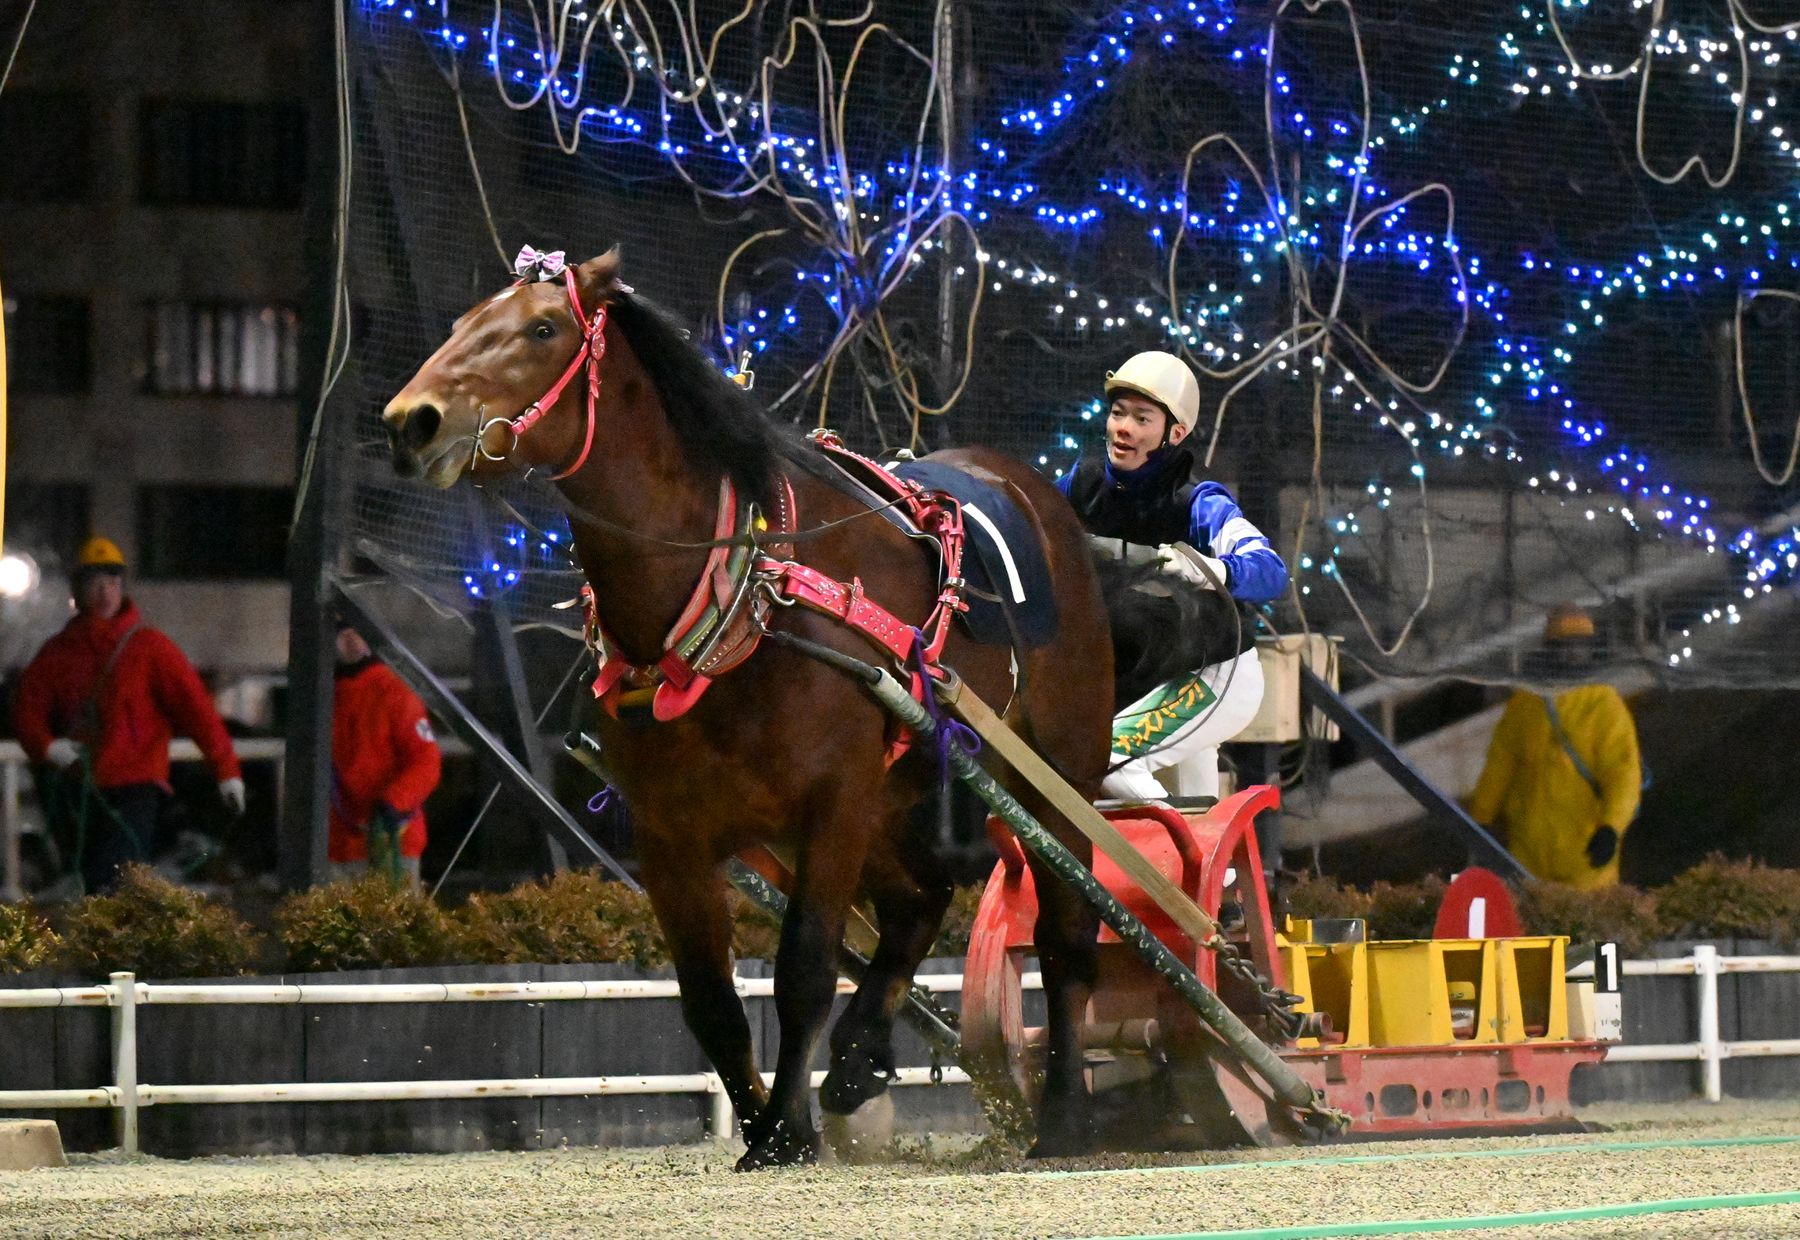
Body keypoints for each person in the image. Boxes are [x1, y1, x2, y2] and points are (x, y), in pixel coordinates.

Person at [1057, 351, 1289, 800]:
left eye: (1142, 418)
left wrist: (1211, 569)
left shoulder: (1199, 502)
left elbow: (1271, 571)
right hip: (1146, 678)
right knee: (1191, 805)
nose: (1123, 428)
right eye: (1118, 413)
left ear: (1175, 433)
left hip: (1211, 676)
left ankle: (1169, 847)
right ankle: (1193, 848)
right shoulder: (1080, 485)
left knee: (1110, 758)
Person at [13, 535, 245, 893]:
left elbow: (197, 711)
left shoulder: (151, 648)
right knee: (100, 883)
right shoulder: (58, 654)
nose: (105, 591)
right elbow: (26, 712)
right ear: (78, 589)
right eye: (95, 582)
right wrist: (47, 746)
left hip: (136, 786)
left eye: (113, 581)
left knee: (114, 881)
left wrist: (227, 771)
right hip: (82, 788)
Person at [1467, 604, 1643, 889]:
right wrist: (1481, 818)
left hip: (1586, 862)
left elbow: (1623, 773)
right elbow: (1500, 764)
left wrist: (1611, 827)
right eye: (1565, 645)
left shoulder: (1604, 705)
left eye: (1580, 645)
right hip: (1529, 857)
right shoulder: (1525, 703)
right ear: (1550, 649)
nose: (1573, 653)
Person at [329, 617, 441, 886]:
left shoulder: (395, 692)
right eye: (343, 635)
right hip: (338, 847)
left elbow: (426, 761)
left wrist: (394, 803)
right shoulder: (325, 695)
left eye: (355, 633)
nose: (350, 642)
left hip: (391, 840)